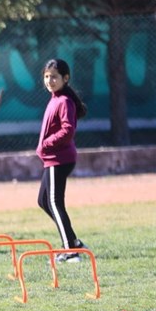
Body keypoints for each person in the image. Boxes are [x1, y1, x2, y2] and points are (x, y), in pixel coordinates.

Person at [37, 59, 90, 263]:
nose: (50, 80)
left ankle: (71, 251)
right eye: (47, 76)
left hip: (59, 159)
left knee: (54, 202)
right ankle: (74, 242)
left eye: (54, 77)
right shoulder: (55, 99)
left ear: (65, 79)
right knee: (43, 201)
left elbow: (68, 130)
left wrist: (46, 144)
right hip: (52, 159)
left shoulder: (64, 101)